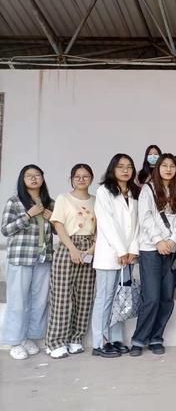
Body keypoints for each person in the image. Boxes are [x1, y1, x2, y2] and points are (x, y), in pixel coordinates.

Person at [130, 154, 176, 356]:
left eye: (172, 166)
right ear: (158, 168)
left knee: (166, 297)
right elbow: (145, 217)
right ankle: (138, 339)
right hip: (151, 249)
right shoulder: (148, 189)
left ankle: (156, 337)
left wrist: (172, 240)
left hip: (171, 249)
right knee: (151, 297)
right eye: (164, 166)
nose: (168, 169)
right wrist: (158, 241)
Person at [1, 165, 54, 360]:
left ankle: (29, 338)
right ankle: (14, 341)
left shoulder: (50, 203)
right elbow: (5, 230)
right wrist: (28, 215)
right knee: (18, 301)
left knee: (39, 301)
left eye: (37, 175)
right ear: (22, 180)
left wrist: (53, 219)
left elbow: (58, 230)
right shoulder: (15, 202)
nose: (33, 179)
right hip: (20, 258)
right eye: (28, 176)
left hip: (43, 258)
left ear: (42, 178)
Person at [91, 154, 140, 358]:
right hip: (110, 254)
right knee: (105, 297)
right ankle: (100, 342)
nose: (125, 170)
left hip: (128, 256)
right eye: (121, 166)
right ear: (113, 169)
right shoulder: (104, 191)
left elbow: (136, 224)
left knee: (120, 297)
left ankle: (117, 339)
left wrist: (133, 250)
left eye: (129, 167)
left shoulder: (134, 192)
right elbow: (106, 223)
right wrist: (121, 250)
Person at [46, 164, 96, 359]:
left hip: (89, 247)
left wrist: (93, 247)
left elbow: (100, 227)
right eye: (77, 176)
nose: (81, 179)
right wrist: (72, 249)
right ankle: (55, 342)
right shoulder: (63, 198)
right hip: (68, 246)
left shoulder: (95, 200)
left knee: (84, 297)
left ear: (91, 179)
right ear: (71, 179)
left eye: (85, 176)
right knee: (62, 296)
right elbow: (58, 225)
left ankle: (76, 338)